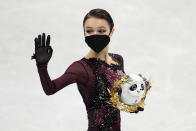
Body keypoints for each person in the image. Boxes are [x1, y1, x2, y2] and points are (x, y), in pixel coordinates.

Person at [31, 8, 125, 131]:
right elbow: (50, 89)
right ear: (84, 33)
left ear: (111, 32)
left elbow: (119, 96)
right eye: (89, 31)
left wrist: (134, 101)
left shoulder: (118, 59)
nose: (95, 35)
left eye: (101, 30)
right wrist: (42, 66)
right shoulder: (80, 68)